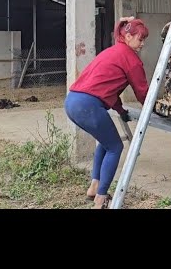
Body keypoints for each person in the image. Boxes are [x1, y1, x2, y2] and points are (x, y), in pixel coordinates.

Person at [64, 16, 150, 209]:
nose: (142, 44)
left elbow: (108, 87)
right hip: (88, 105)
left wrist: (120, 110)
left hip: (72, 101)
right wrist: (156, 109)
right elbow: (143, 93)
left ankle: (94, 186)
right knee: (115, 147)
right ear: (127, 36)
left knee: (105, 141)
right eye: (140, 39)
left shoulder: (113, 51)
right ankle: (101, 199)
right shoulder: (132, 60)